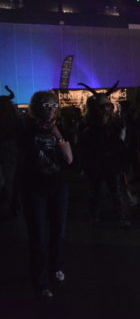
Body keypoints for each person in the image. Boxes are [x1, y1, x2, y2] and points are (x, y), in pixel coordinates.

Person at [17, 90, 73, 299]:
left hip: (58, 186)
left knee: (58, 231)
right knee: (38, 236)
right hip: (33, 189)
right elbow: (20, 162)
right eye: (45, 105)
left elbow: (68, 159)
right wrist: (15, 192)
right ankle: (39, 281)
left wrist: (57, 134)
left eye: (53, 106)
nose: (49, 110)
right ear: (36, 107)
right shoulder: (27, 130)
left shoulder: (61, 127)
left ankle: (55, 266)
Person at [78, 82, 130, 226]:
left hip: (111, 162)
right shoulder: (87, 124)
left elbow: (121, 145)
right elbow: (83, 145)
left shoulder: (115, 123)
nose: (105, 109)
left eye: (107, 106)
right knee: (96, 191)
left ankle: (121, 217)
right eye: (103, 107)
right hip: (96, 162)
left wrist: (123, 162)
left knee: (115, 191)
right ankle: (95, 216)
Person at [0, 86, 19, 220]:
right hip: (11, 152)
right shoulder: (16, 120)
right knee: (10, 179)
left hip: (7, 151)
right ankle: (11, 205)